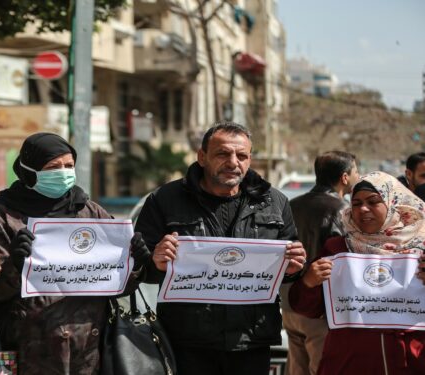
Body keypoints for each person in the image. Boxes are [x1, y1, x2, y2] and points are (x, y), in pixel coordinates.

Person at [0, 132, 149, 375]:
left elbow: (117, 285)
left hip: (89, 356)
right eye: (53, 167)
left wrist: (134, 262)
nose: (63, 173)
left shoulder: (91, 213)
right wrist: (14, 265)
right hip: (25, 355)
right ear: (29, 172)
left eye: (69, 166)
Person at [135, 122, 307, 375]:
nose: (233, 162)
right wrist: (155, 262)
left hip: (252, 341)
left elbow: (287, 268)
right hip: (187, 342)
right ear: (202, 157)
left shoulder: (275, 202)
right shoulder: (164, 200)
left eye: (242, 155)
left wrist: (293, 269)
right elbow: (137, 266)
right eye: (222, 154)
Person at [289, 171, 425, 374]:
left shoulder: (421, 247)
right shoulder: (337, 249)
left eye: (373, 201)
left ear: (394, 204)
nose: (363, 209)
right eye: (356, 203)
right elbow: (307, 308)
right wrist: (309, 282)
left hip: (410, 360)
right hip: (349, 362)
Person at [282, 151, 359, 375]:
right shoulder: (342, 211)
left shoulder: (291, 205)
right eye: (356, 171)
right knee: (324, 369)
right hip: (320, 308)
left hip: (289, 304)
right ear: (345, 177)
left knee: (297, 369)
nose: (358, 176)